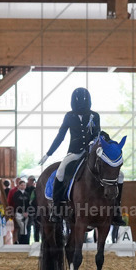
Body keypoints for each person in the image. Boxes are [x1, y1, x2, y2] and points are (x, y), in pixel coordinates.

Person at [40, 87, 101, 222]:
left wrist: (93, 143)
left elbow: (97, 132)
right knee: (60, 172)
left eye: (84, 100)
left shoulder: (95, 115)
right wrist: (49, 153)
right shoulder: (69, 116)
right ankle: (56, 208)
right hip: (74, 152)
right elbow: (60, 136)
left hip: (91, 152)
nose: (81, 103)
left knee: (111, 172)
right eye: (79, 100)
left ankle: (115, 209)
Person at [9, 178, 31, 244]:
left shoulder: (27, 194)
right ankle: (22, 241)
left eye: (24, 185)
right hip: (18, 213)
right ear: (19, 186)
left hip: (26, 214)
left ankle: (24, 242)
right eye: (21, 185)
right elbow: (17, 204)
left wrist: (27, 212)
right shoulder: (16, 194)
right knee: (22, 227)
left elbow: (28, 204)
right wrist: (22, 212)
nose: (23, 186)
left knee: (24, 227)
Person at [25, 177, 39, 243]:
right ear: (28, 180)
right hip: (28, 211)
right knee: (28, 227)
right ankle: (26, 242)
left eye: (32, 181)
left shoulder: (35, 190)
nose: (31, 182)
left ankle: (36, 241)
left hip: (36, 211)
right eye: (30, 180)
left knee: (37, 227)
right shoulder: (25, 189)